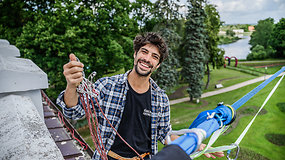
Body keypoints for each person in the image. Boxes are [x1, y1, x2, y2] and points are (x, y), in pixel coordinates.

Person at [57, 32, 223, 160]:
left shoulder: (160, 99)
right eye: (144, 52)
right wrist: (72, 86)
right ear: (135, 54)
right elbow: (74, 113)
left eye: (154, 56)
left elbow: (164, 134)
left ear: (157, 65)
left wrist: (193, 143)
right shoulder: (106, 86)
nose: (147, 59)